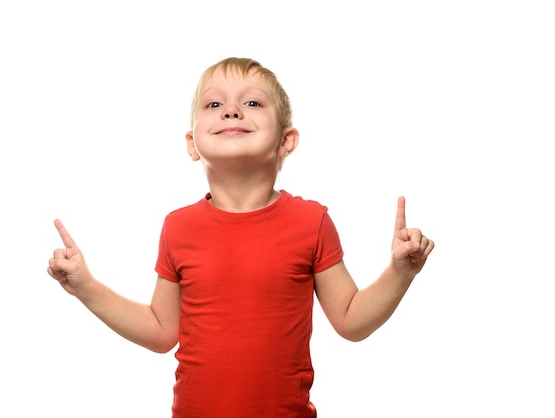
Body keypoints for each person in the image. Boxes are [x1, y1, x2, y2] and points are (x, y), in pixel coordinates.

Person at [47, 57, 434, 417]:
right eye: (214, 105)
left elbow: (351, 320)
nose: (231, 110)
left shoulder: (311, 221)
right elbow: (162, 331)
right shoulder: (178, 227)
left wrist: (400, 273)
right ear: (191, 143)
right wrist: (86, 287)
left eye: (252, 103)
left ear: (287, 141)